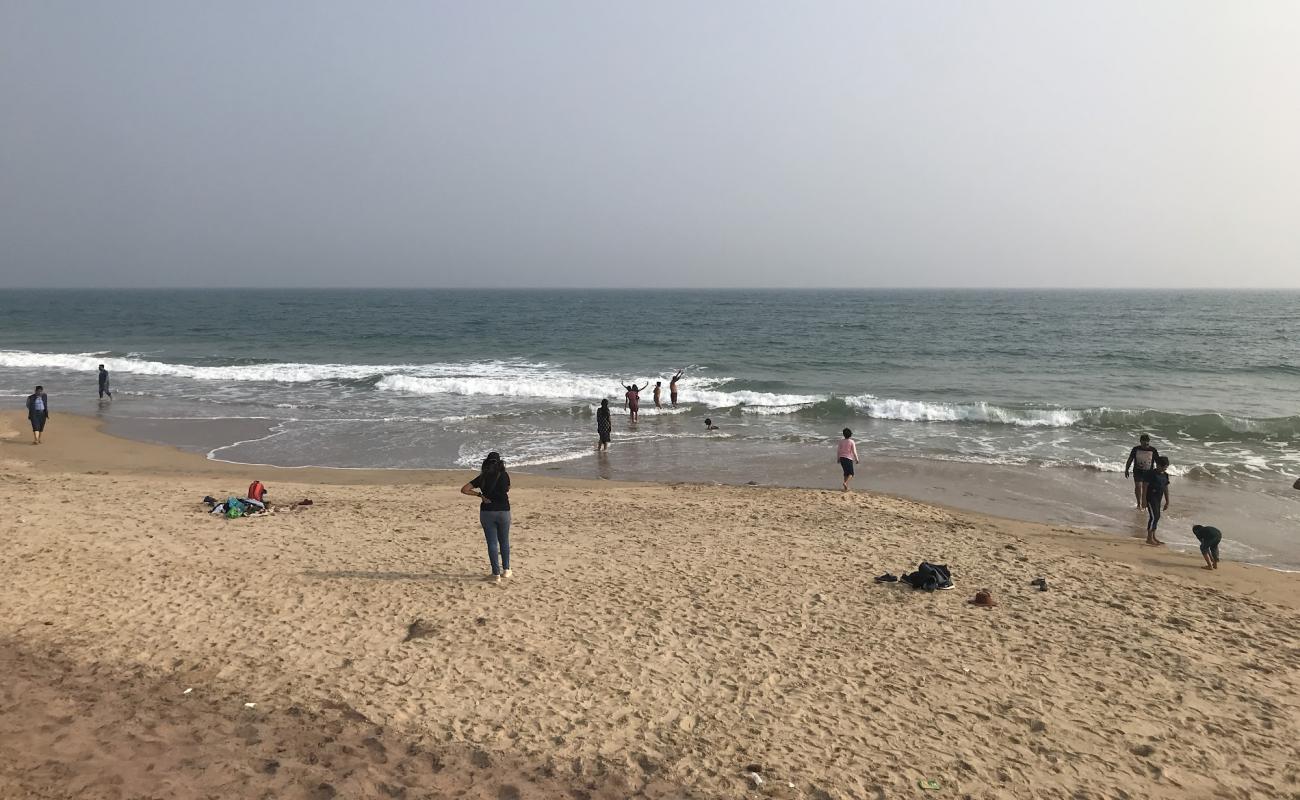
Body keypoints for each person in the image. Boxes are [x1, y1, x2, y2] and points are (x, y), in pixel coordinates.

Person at [461, 452, 512, 581]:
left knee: (492, 543)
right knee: (504, 541)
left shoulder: (482, 477)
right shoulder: (504, 475)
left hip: (487, 512)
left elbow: (464, 489)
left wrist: (480, 495)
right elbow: (508, 488)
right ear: (500, 462)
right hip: (503, 511)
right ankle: (506, 570)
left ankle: (496, 574)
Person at [1124, 434, 1160, 509]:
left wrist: (1158, 472)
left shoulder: (1153, 450)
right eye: (1144, 442)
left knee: (1145, 489)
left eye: (1147, 442)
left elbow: (1158, 462)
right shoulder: (1135, 449)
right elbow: (1130, 459)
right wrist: (1126, 469)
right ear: (1140, 441)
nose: (1146, 444)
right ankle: (1138, 503)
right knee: (1138, 486)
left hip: (1149, 472)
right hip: (1138, 471)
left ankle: (1144, 503)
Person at [1144, 456, 1171, 546]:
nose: (1164, 469)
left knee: (1157, 516)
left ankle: (1153, 536)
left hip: (1158, 498)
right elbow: (1145, 486)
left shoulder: (1165, 475)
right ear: (1157, 465)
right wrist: (1143, 500)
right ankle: (1149, 538)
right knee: (1154, 517)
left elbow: (1165, 488)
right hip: (1150, 498)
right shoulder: (1151, 474)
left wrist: (1167, 501)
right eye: (1163, 467)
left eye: (1166, 467)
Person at [836, 427, 860, 493]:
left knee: (846, 473)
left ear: (844, 434)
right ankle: (845, 483)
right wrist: (857, 459)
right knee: (851, 474)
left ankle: (845, 488)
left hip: (842, 458)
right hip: (848, 458)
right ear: (850, 435)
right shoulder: (851, 441)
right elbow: (854, 451)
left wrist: (838, 458)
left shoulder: (841, 441)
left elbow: (838, 451)